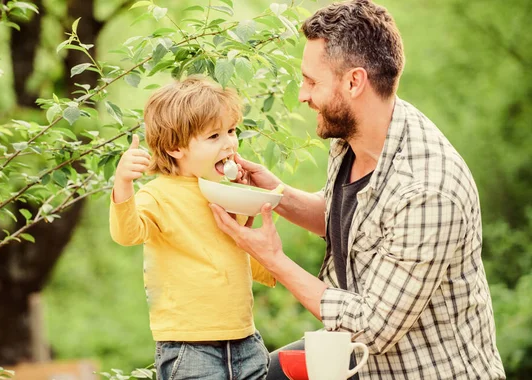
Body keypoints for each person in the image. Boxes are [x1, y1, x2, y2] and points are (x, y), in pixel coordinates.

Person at [209, 0, 506, 379]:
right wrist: (274, 194)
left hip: (420, 368)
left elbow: (372, 326)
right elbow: (349, 224)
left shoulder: (429, 189)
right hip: (361, 359)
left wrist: (272, 258)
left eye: (311, 81)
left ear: (354, 82)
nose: (302, 94)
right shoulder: (357, 135)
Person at [109, 76, 275, 380]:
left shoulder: (226, 191)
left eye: (231, 131)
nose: (229, 143)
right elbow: (127, 232)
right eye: (214, 136)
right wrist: (123, 183)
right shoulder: (158, 195)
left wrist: (254, 212)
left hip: (245, 340)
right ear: (175, 148)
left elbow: (241, 252)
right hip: (190, 347)